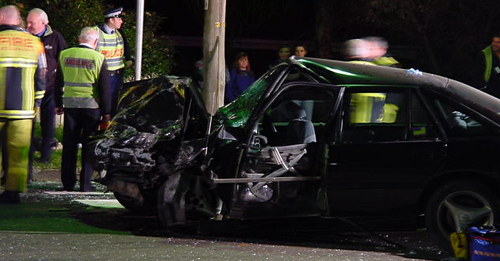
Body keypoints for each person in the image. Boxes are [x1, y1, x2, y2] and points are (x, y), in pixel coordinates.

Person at [0, 5, 46, 203]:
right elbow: (42, 74)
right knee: (19, 153)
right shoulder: (35, 42)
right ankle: (13, 192)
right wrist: (38, 101)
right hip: (23, 109)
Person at [55, 27, 111, 192]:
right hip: (91, 107)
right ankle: (85, 184)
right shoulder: (99, 58)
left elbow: (58, 82)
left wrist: (58, 103)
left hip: (70, 105)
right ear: (95, 42)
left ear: (80, 39)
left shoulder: (65, 55)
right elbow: (104, 89)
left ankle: (68, 182)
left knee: (69, 145)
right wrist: (106, 113)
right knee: (89, 145)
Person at [26, 8, 67, 167]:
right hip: (29, 87)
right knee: (28, 122)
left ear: (44, 23)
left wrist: (60, 88)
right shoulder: (24, 37)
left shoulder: (55, 38)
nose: (28, 25)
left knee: (48, 122)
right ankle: (27, 152)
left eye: (32, 22)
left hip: (50, 87)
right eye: (27, 21)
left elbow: (63, 61)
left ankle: (46, 154)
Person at [94, 7, 132, 117]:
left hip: (118, 74)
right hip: (103, 74)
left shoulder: (119, 32)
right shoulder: (96, 32)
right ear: (111, 20)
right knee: (102, 104)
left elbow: (125, 46)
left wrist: (129, 58)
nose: (122, 21)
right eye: (119, 18)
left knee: (115, 104)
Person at [475, 33, 500, 98]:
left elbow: (497, 70)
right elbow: (478, 74)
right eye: (493, 41)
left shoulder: (498, 56)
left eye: (498, 42)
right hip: (485, 90)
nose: (495, 44)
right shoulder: (484, 55)